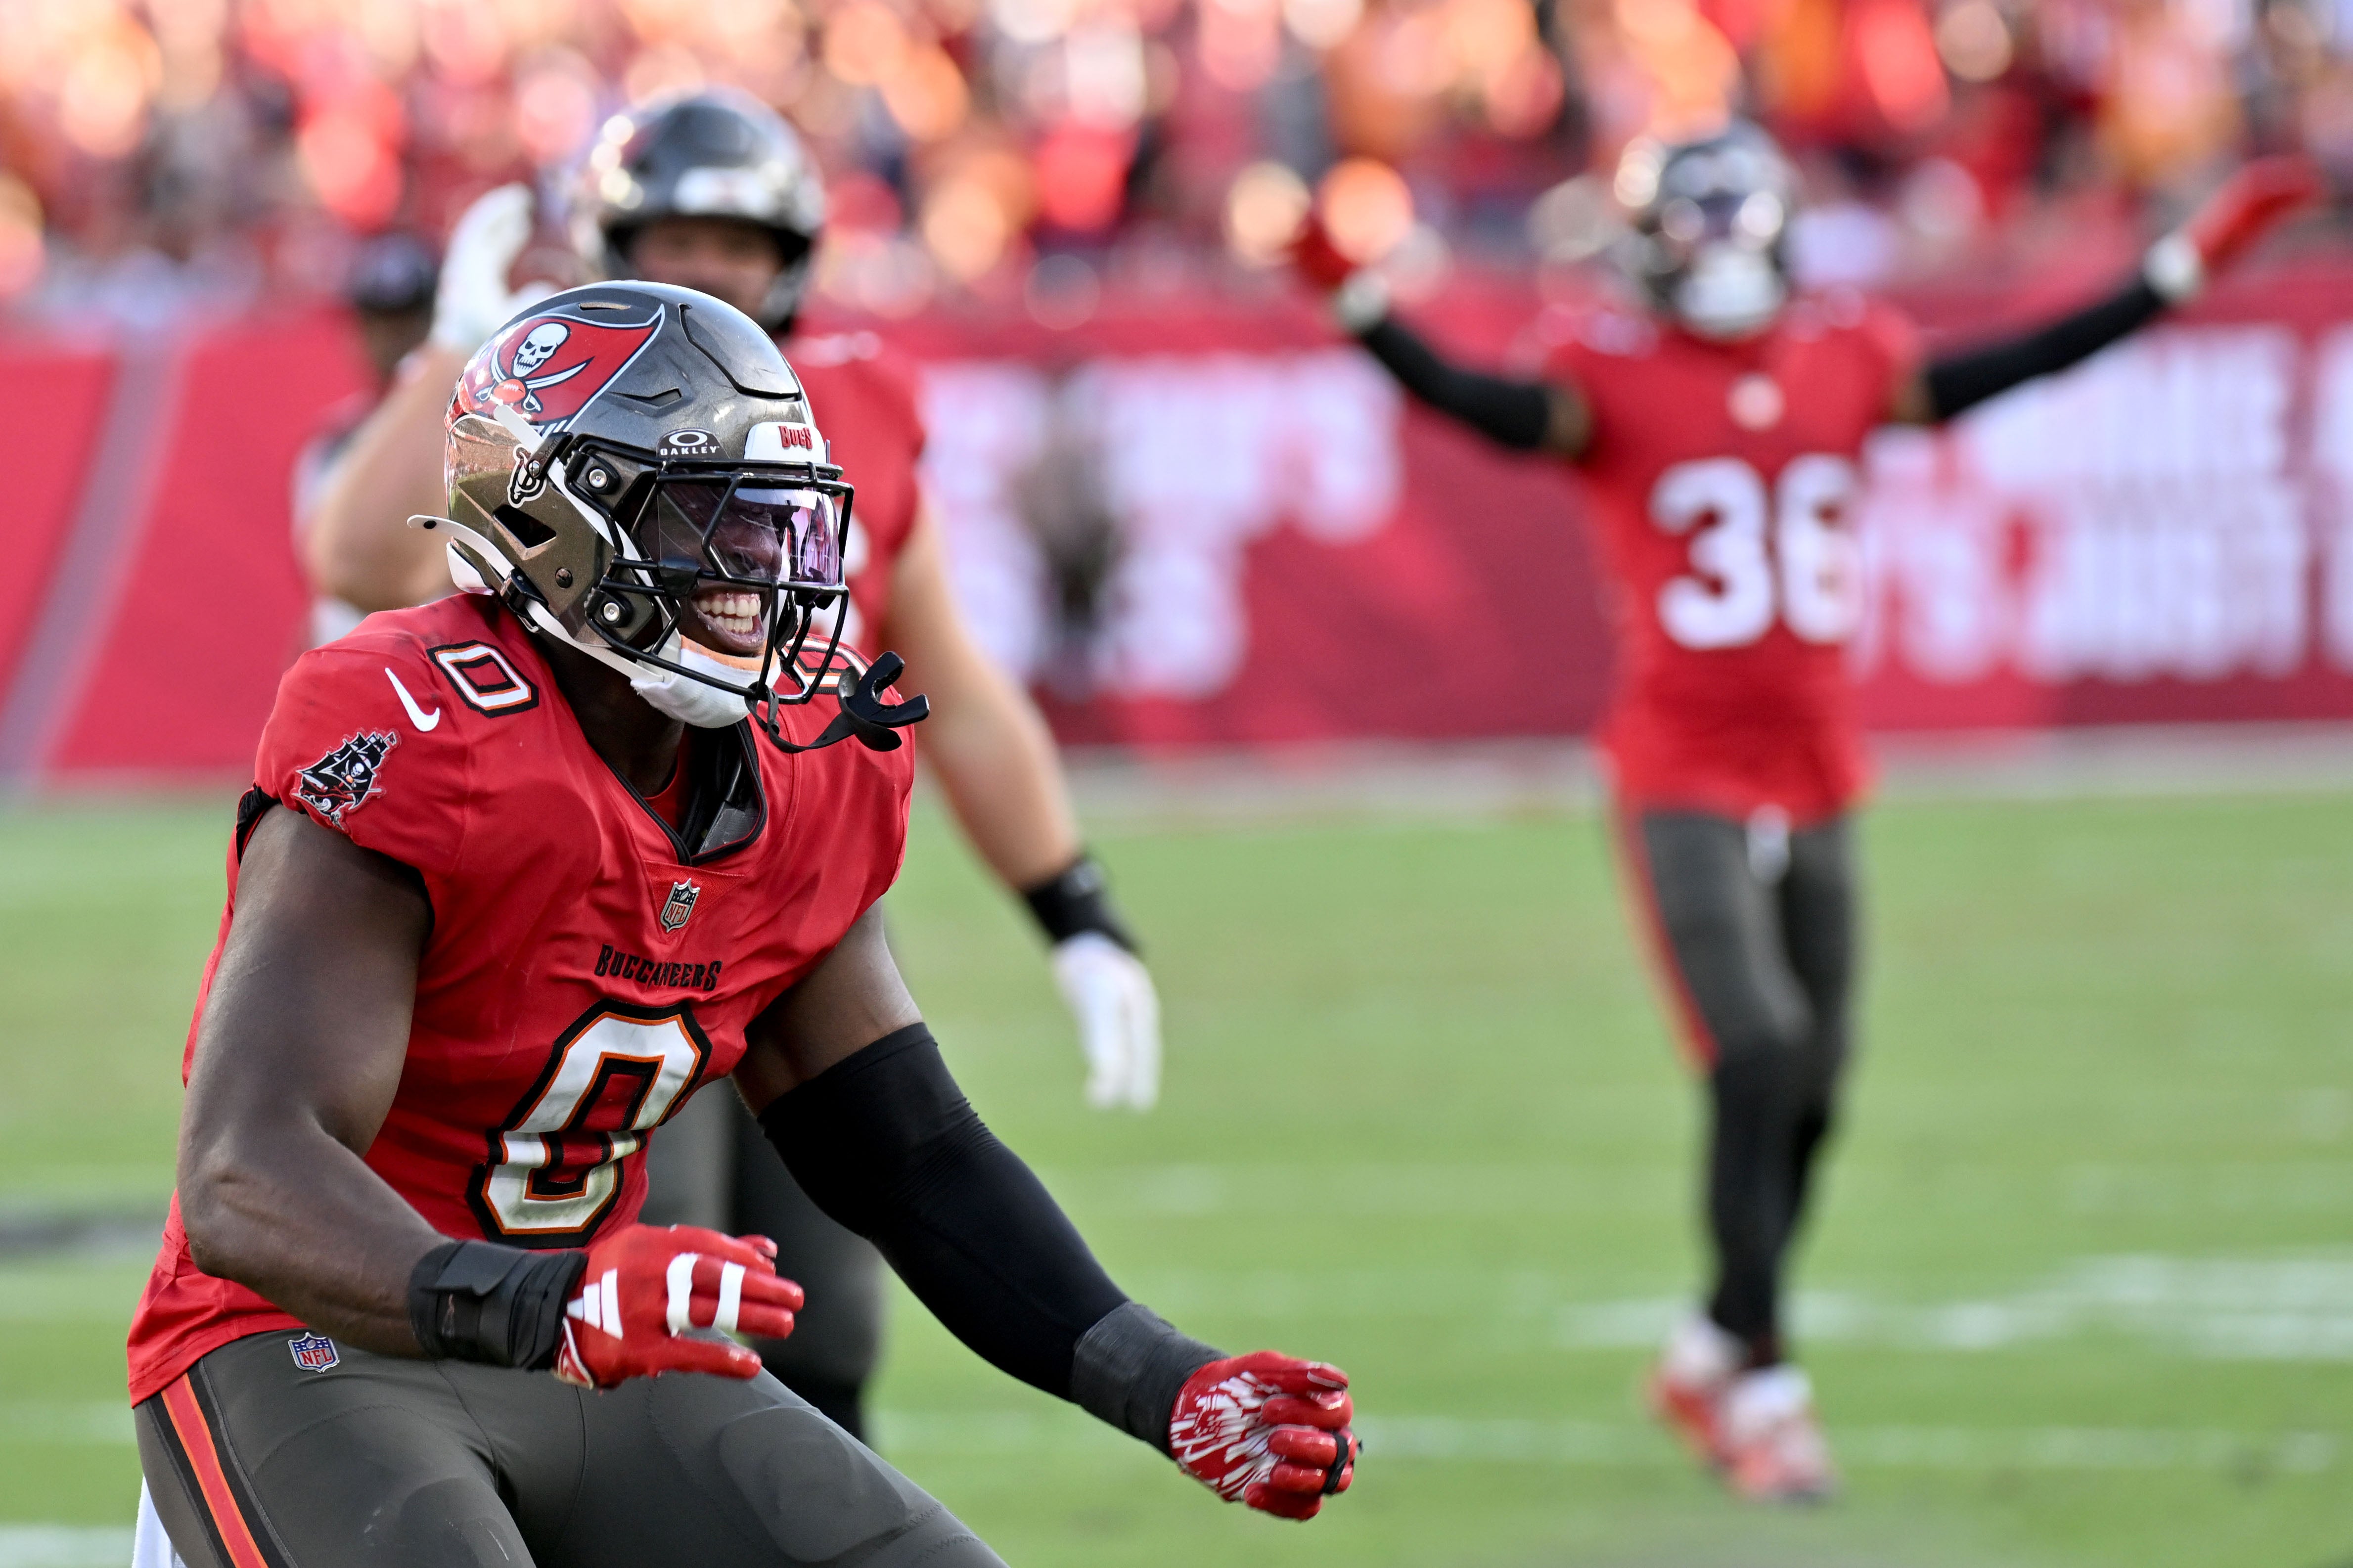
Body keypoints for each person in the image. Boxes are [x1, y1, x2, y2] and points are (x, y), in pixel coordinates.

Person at [125, 282, 1357, 1568]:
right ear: (554, 519)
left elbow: (908, 1153)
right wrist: (548, 1301)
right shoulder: (429, 736)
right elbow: (243, 1173)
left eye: (773, 521)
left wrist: (1158, 1381)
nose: (757, 565)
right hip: (315, 1344)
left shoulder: (806, 767)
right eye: (705, 513)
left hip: (597, 1346)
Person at [1291, 121, 2320, 1501]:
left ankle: (1709, 1343)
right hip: (1678, 768)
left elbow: (2016, 364)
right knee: (1757, 1048)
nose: (1712, 255)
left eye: (1729, 226)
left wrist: (2183, 263)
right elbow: (1481, 405)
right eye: (1690, 229)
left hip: (1817, 768)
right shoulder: (1609, 369)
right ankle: (1763, 1383)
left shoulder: (1847, 355)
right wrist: (1353, 302)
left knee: (1818, 1079)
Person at [297, 89, 1157, 1444]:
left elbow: (957, 691)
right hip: (590, 909)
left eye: (737, 242)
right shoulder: (554, 399)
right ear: (606, 236)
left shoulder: (858, 402)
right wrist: (472, 346)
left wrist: (1072, 904)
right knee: (666, 1314)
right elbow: (354, 559)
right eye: (674, 234)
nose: (705, 269)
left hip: (787, 889)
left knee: (833, 1315)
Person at [290, 232, 438, 648]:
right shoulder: (332, 446)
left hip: (443, 670)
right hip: (354, 665)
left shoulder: (475, 438)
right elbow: (329, 584)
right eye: (379, 323)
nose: (396, 340)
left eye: (411, 321)